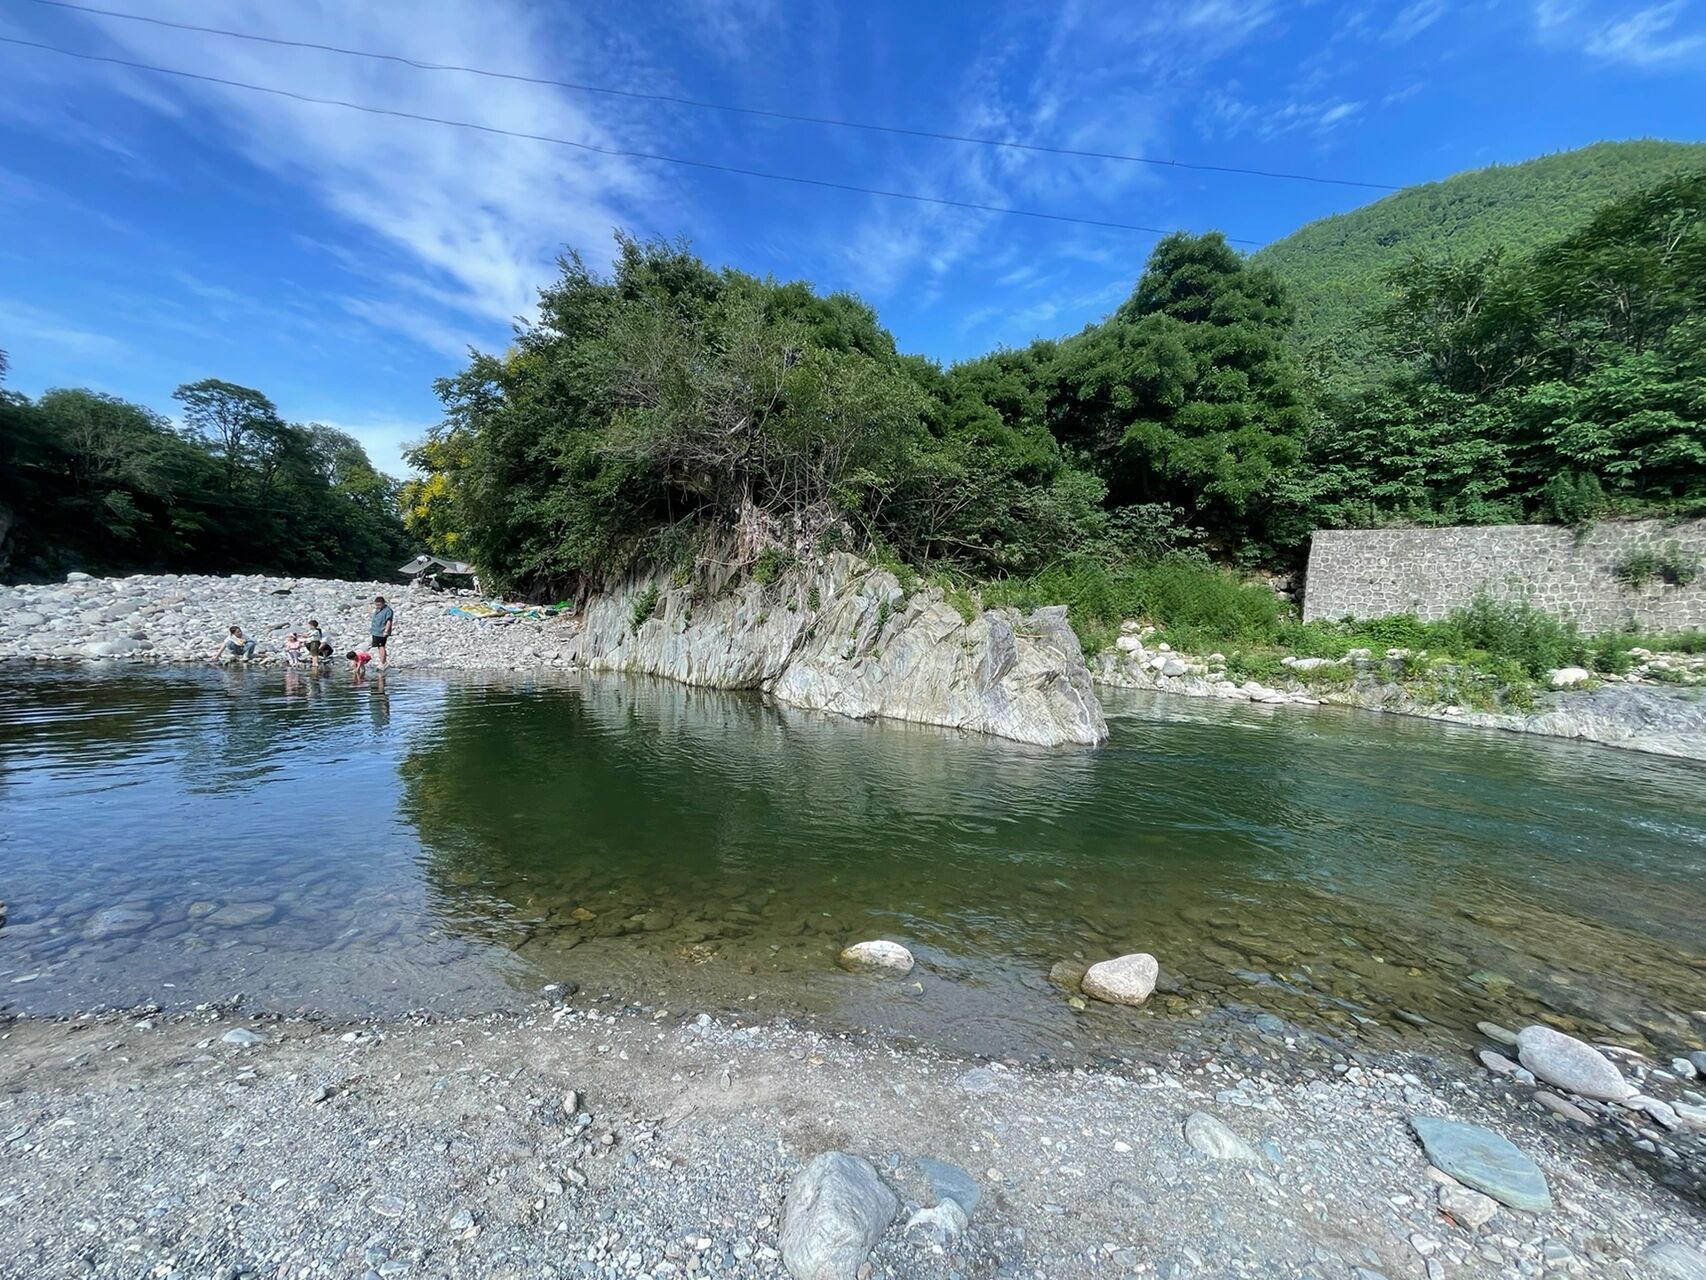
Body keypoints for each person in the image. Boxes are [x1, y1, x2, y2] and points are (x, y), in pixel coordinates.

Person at [370, 595, 394, 670]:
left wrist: (386, 631)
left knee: (382, 646)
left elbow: (389, 621)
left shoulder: (388, 611)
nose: (377, 606)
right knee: (378, 647)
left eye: (379, 605)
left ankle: (383, 662)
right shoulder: (377, 610)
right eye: (376, 605)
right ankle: (382, 660)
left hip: (382, 631)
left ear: (383, 603)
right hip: (375, 631)